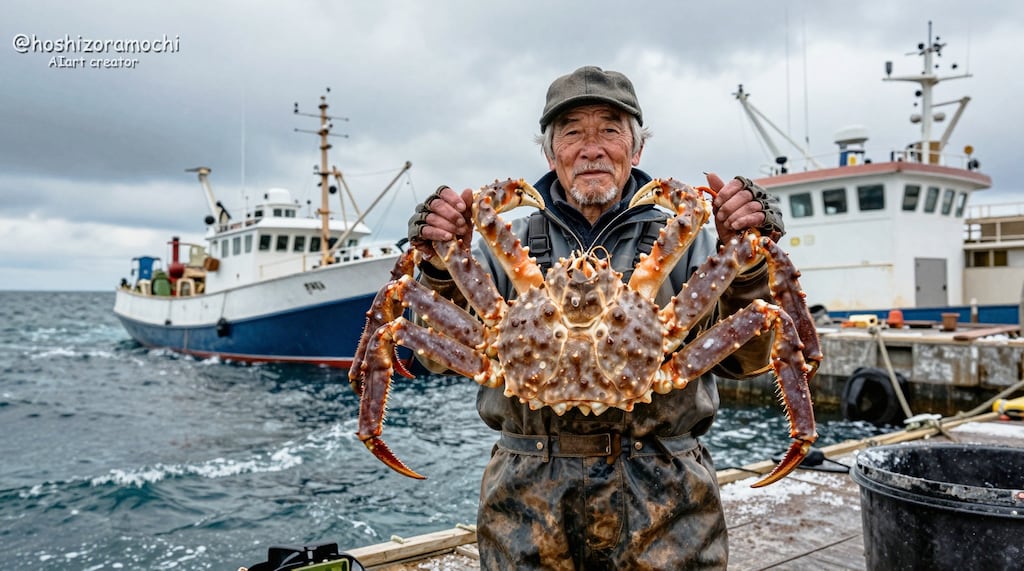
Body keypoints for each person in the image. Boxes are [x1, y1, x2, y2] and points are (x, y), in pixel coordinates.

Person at [406, 66, 784, 570]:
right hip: (526, 497)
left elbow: (750, 357)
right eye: (573, 132)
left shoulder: (688, 241)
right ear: (549, 152)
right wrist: (436, 265)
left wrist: (749, 260)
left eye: (609, 129)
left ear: (637, 147)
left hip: (666, 493)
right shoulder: (503, 243)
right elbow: (434, 357)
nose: (592, 147)